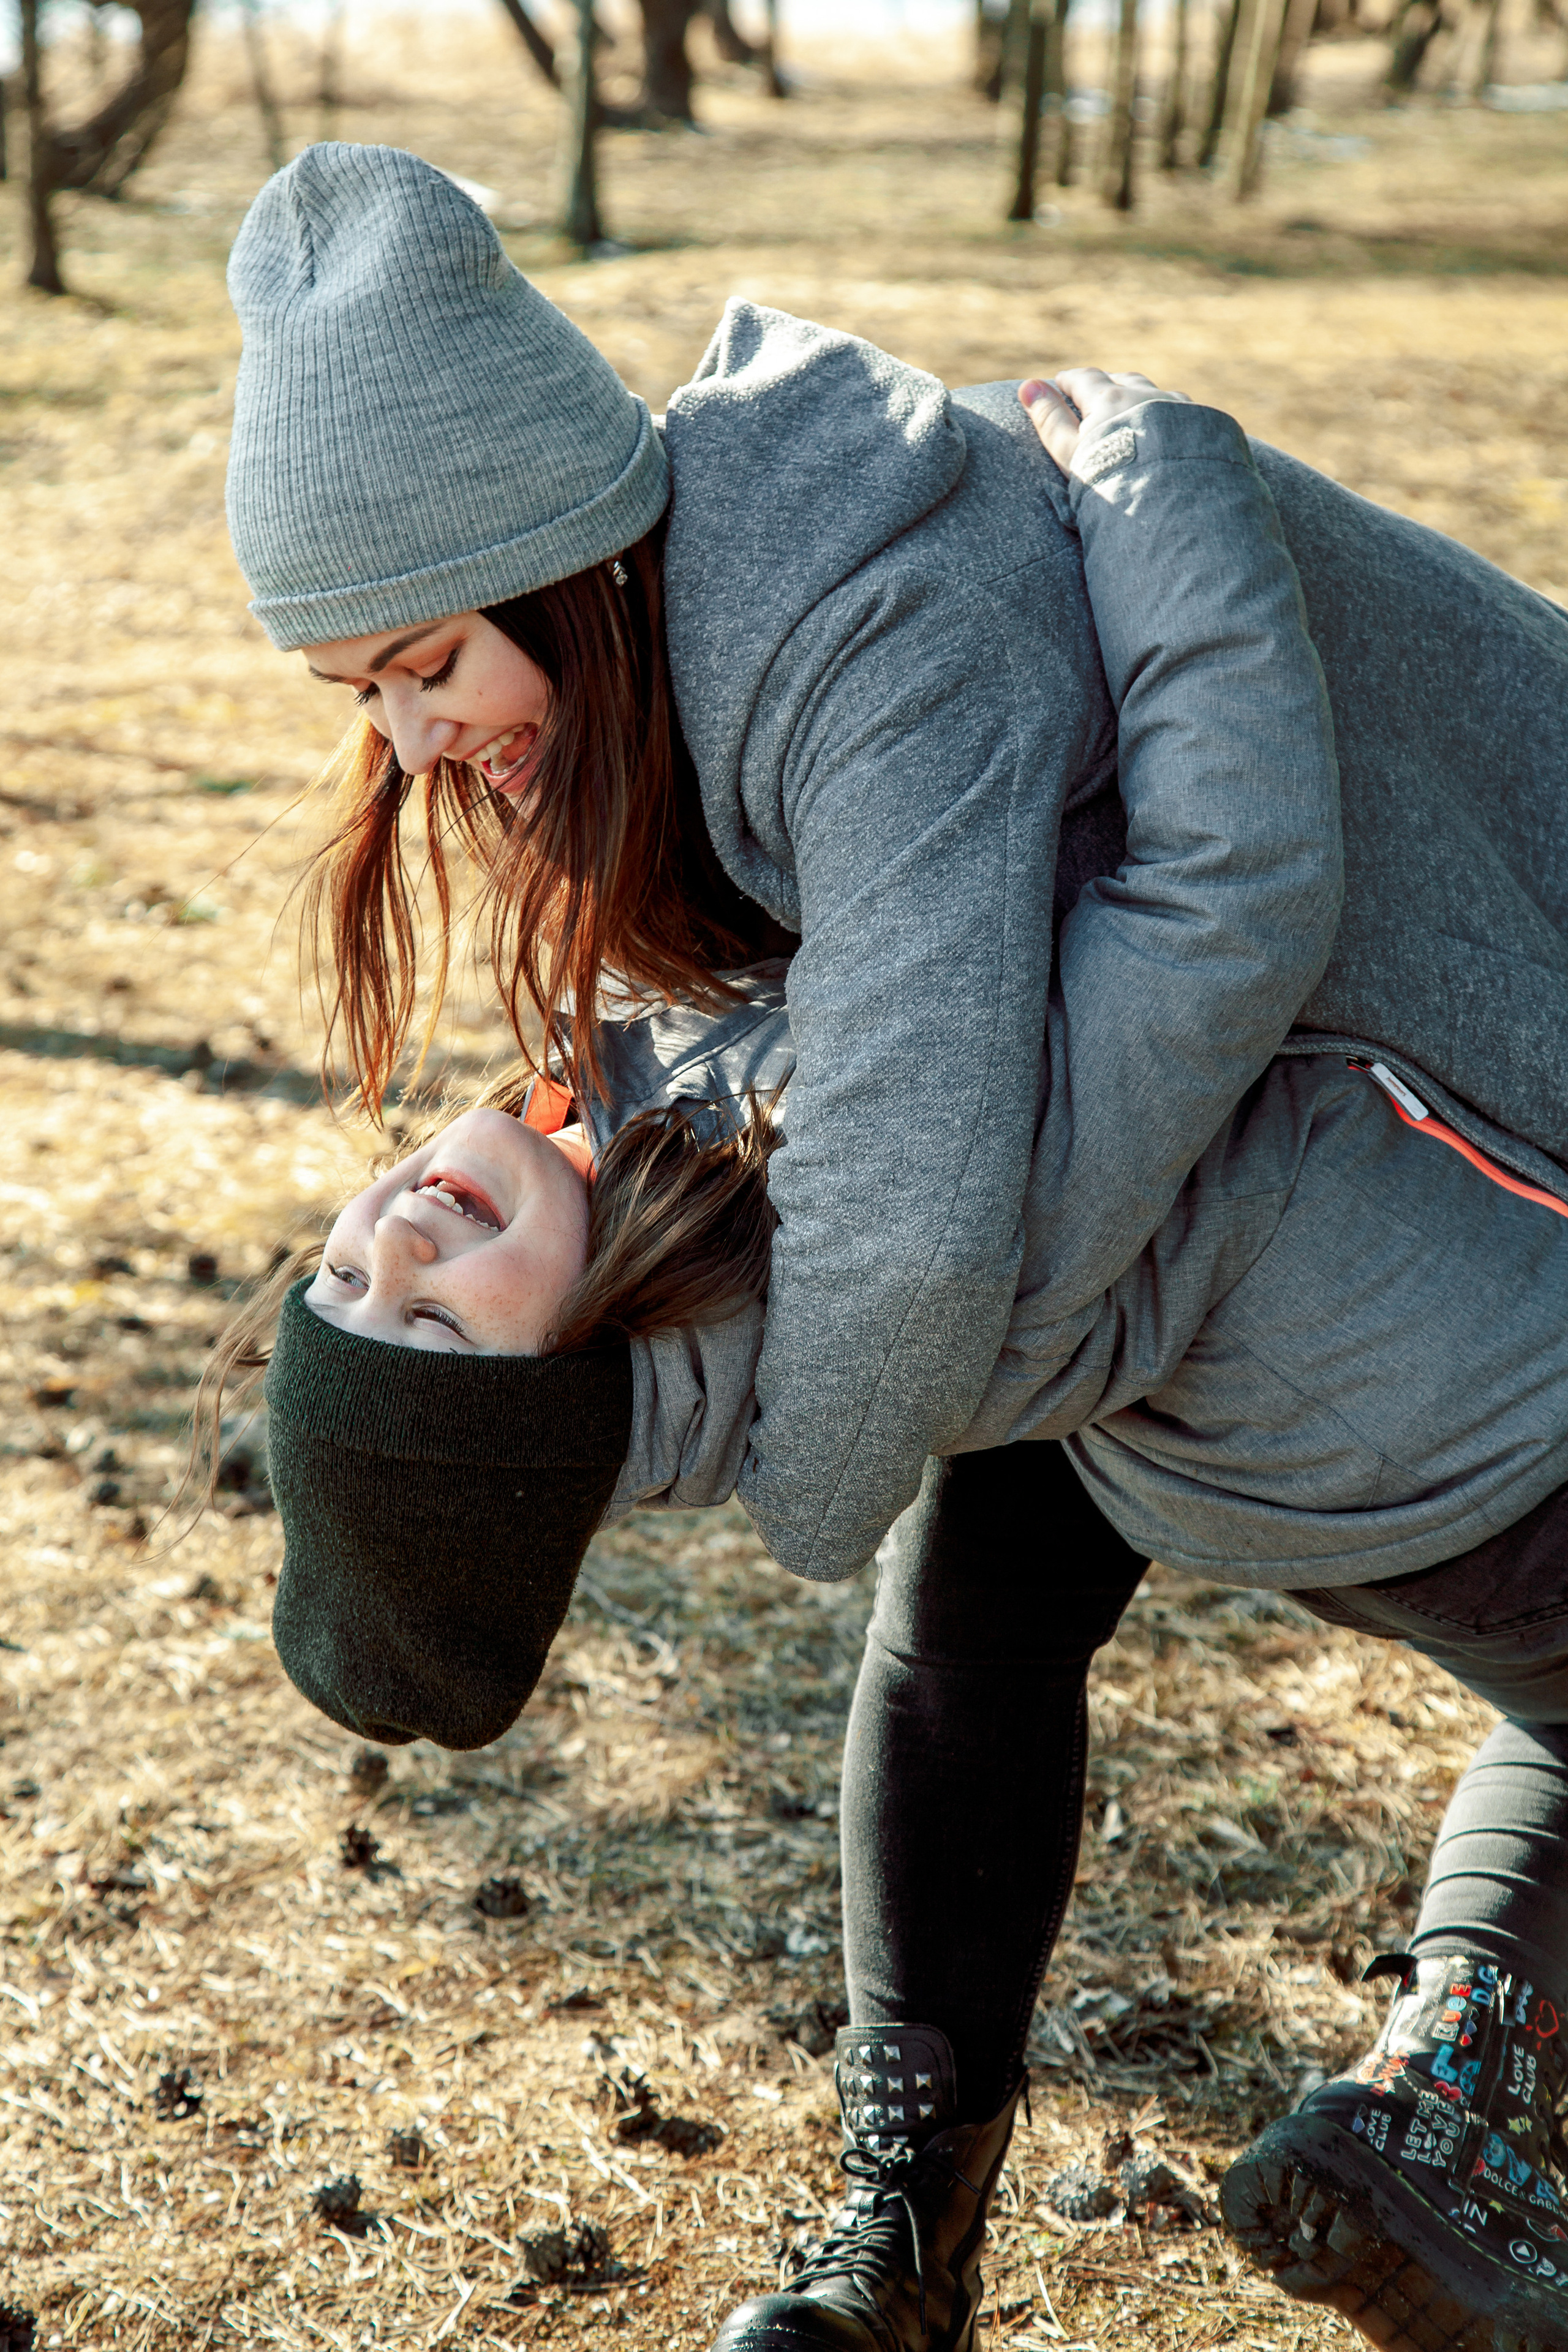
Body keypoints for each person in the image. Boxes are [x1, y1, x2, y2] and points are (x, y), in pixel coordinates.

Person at [219, 142, 1568, 2352]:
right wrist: (1173, 480)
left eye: (422, 665)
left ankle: (923, 2239)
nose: (412, 743)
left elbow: (926, 1156)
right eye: (364, 691)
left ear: (566, 564)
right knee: (977, 1596)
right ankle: (1394, 2109)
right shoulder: (807, 1148)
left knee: (967, 1624)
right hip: (1374, 1327)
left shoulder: (813, 689)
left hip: (1434, 1033)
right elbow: (1175, 947)